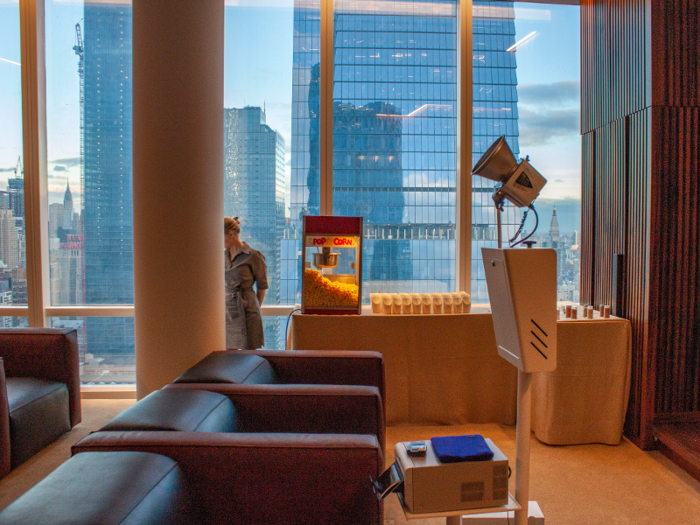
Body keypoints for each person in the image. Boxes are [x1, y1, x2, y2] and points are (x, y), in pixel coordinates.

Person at [224, 216, 268, 349]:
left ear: (230, 234)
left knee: (249, 353)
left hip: (247, 310)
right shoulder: (222, 257)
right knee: (228, 353)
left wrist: (255, 307)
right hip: (228, 311)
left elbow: (262, 286)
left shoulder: (253, 256)